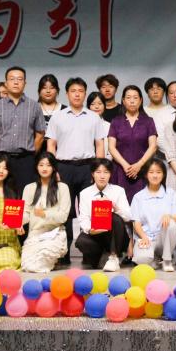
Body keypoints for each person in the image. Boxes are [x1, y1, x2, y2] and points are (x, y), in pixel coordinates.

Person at [45, 77, 106, 261]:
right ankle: (63, 253)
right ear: (67, 94)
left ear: (85, 93)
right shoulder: (58, 117)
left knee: (92, 208)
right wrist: (54, 169)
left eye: (80, 91)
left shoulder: (94, 117)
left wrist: (99, 170)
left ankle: (92, 253)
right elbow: (51, 145)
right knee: (64, 210)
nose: (77, 94)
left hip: (88, 167)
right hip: (64, 167)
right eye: (73, 91)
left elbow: (100, 145)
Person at [0, 66, 46, 191]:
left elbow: (40, 134)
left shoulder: (34, 106)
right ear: (6, 83)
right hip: (2, 160)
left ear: (25, 83)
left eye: (20, 79)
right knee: (2, 193)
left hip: (26, 160)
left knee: (25, 194)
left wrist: (30, 153)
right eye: (12, 79)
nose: (16, 82)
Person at [75, 159, 131, 271]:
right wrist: (91, 230)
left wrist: (115, 207)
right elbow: (84, 218)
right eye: (98, 172)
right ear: (93, 174)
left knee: (114, 217)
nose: (102, 176)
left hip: (116, 235)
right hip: (96, 234)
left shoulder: (118, 191)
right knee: (81, 241)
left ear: (110, 174)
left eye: (106, 172)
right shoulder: (85, 193)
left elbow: (128, 217)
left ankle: (114, 256)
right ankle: (100, 257)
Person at [19, 153, 71, 273]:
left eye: (48, 165)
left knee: (39, 264)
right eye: (41, 165)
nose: (44, 168)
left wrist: (45, 214)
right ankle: (51, 261)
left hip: (54, 233)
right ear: (36, 167)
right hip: (35, 234)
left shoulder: (62, 187)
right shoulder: (29, 188)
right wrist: (18, 223)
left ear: (53, 168)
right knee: (27, 266)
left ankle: (53, 258)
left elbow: (63, 216)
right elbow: (25, 213)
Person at [108, 85, 158, 202]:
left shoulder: (148, 121)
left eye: (135, 98)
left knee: (143, 203)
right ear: (123, 101)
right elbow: (111, 147)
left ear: (140, 100)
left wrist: (139, 165)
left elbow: (153, 146)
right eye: (128, 98)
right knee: (119, 204)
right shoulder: (116, 121)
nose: (132, 101)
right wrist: (125, 165)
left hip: (143, 169)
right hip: (120, 169)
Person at [130, 159, 176, 271]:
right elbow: (136, 223)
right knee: (142, 260)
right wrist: (144, 237)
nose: (155, 175)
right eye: (151, 172)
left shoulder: (171, 193)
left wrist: (169, 216)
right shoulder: (138, 197)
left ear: (163, 174)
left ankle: (167, 260)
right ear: (146, 174)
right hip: (146, 238)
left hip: (163, 240)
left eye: (158, 172)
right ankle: (155, 259)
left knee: (172, 224)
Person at [85, 91, 112, 159]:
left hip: (104, 162)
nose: (97, 107)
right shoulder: (82, 125)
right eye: (93, 104)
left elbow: (111, 150)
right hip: (85, 163)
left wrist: (104, 163)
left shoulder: (109, 126)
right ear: (88, 107)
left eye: (100, 103)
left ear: (104, 106)